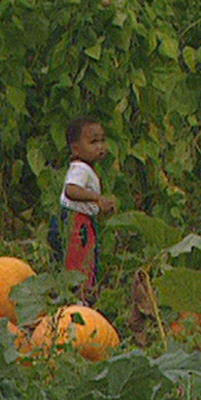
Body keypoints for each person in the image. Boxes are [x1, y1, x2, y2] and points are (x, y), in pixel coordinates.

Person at [47, 116, 118, 304]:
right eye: (93, 142)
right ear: (76, 149)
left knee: (86, 256)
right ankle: (77, 297)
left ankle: (82, 295)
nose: (100, 146)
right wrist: (97, 198)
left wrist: (101, 206)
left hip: (82, 219)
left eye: (102, 140)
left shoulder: (89, 169)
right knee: (77, 257)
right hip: (74, 221)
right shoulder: (80, 168)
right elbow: (71, 190)